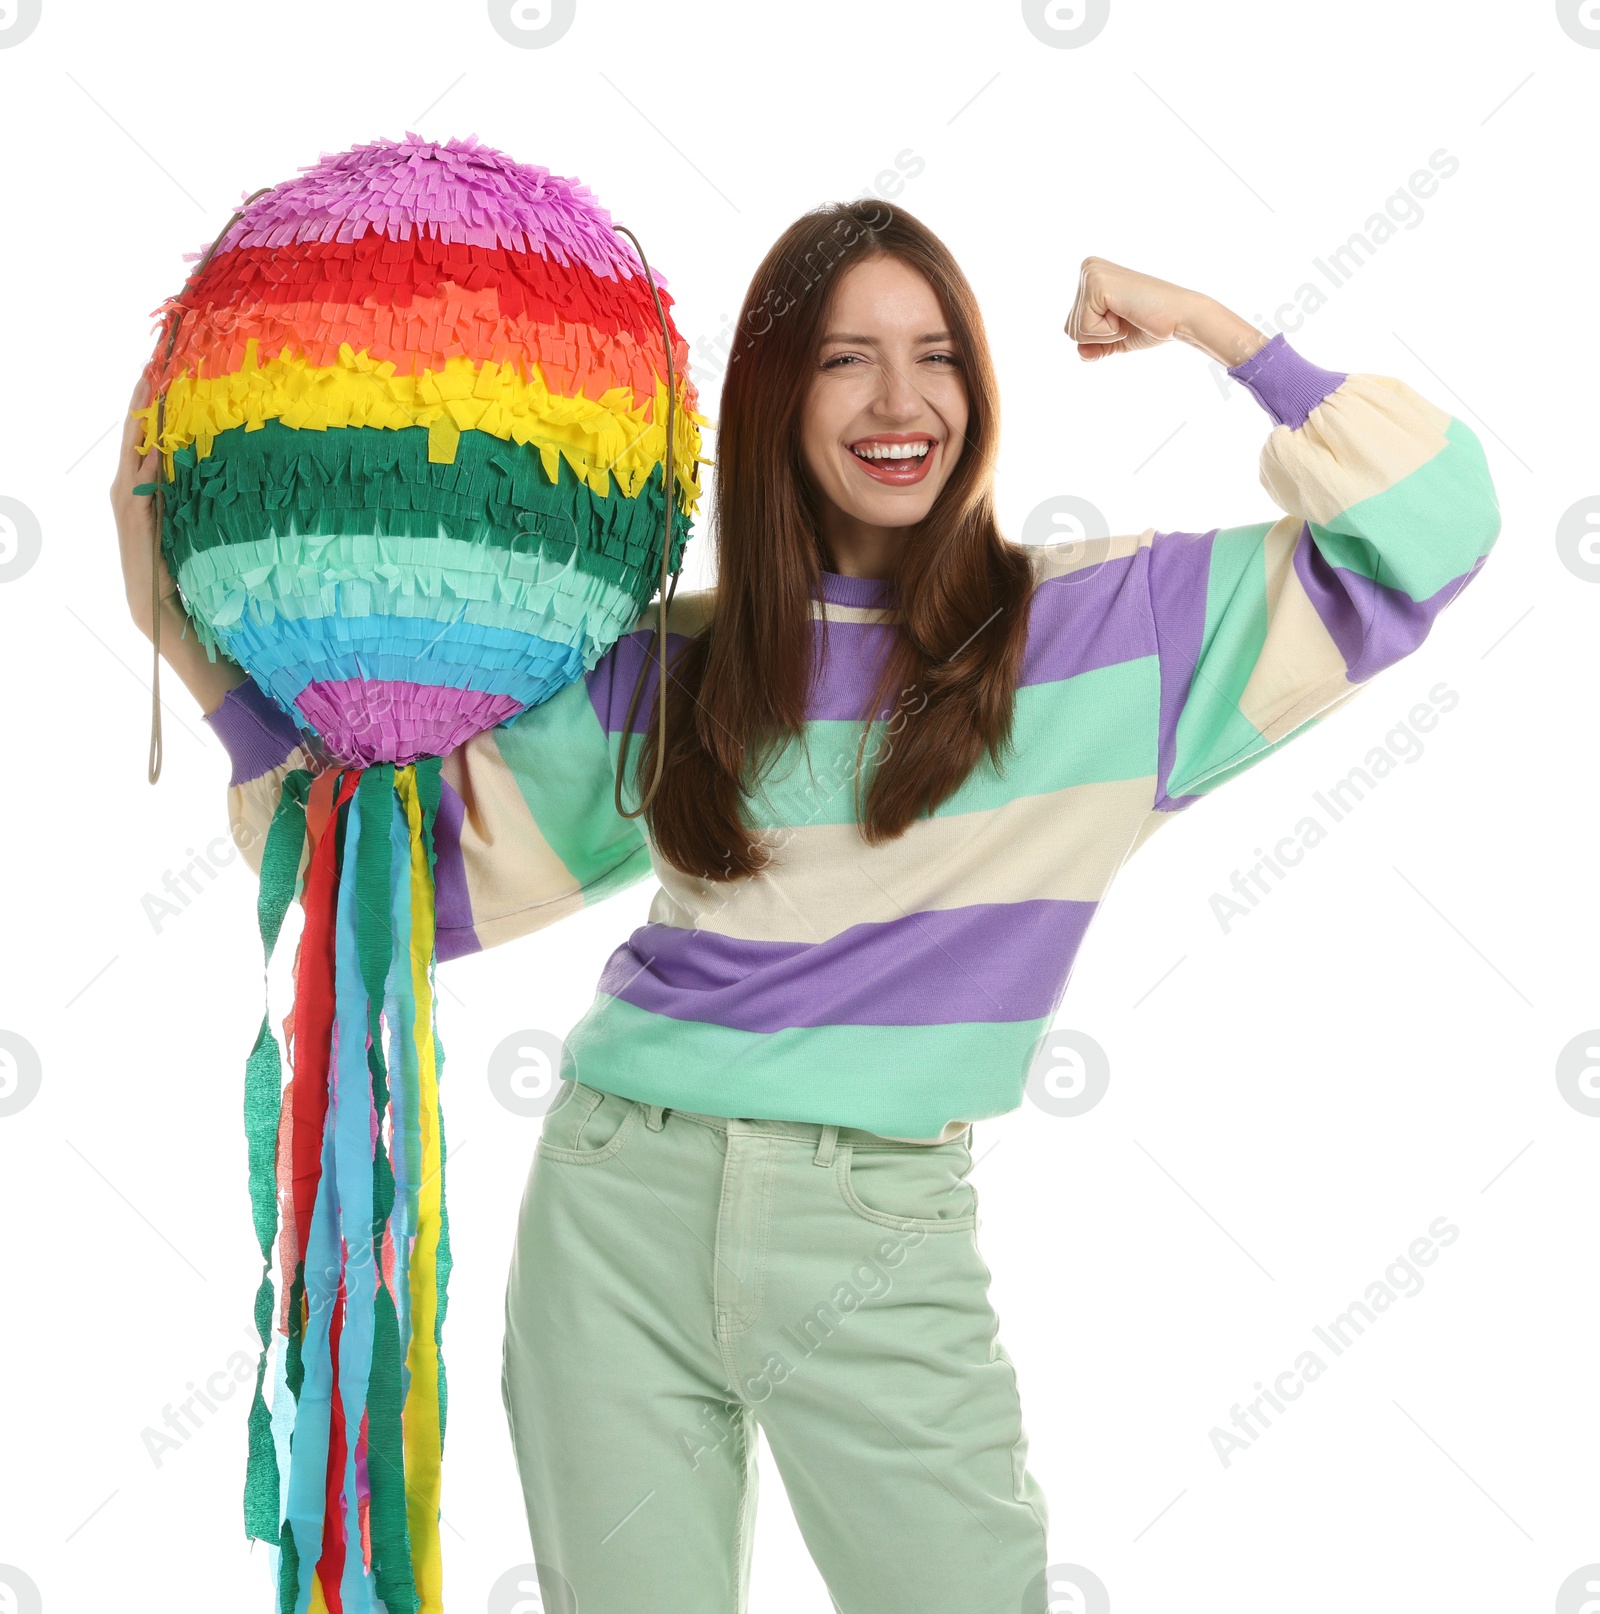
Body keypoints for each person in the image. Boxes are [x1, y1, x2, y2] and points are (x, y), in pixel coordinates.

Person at [111, 200, 1501, 1614]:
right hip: (613, 1212)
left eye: (938, 354)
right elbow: (412, 893)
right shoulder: (679, 666)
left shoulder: (1113, 632)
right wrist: (181, 641)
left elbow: (1431, 526)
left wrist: (1212, 326)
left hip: (879, 1223)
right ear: (777, 400)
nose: (903, 402)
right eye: (847, 360)